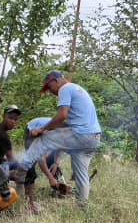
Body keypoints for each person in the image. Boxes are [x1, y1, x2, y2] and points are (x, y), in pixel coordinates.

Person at [10, 71, 101, 207]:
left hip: (81, 134)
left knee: (43, 139)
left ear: (57, 80)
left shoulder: (65, 88)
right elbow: (65, 124)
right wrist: (49, 129)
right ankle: (82, 207)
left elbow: (62, 115)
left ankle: (21, 171)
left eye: (49, 87)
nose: (50, 92)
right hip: (94, 138)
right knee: (82, 175)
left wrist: (42, 130)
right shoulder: (78, 89)